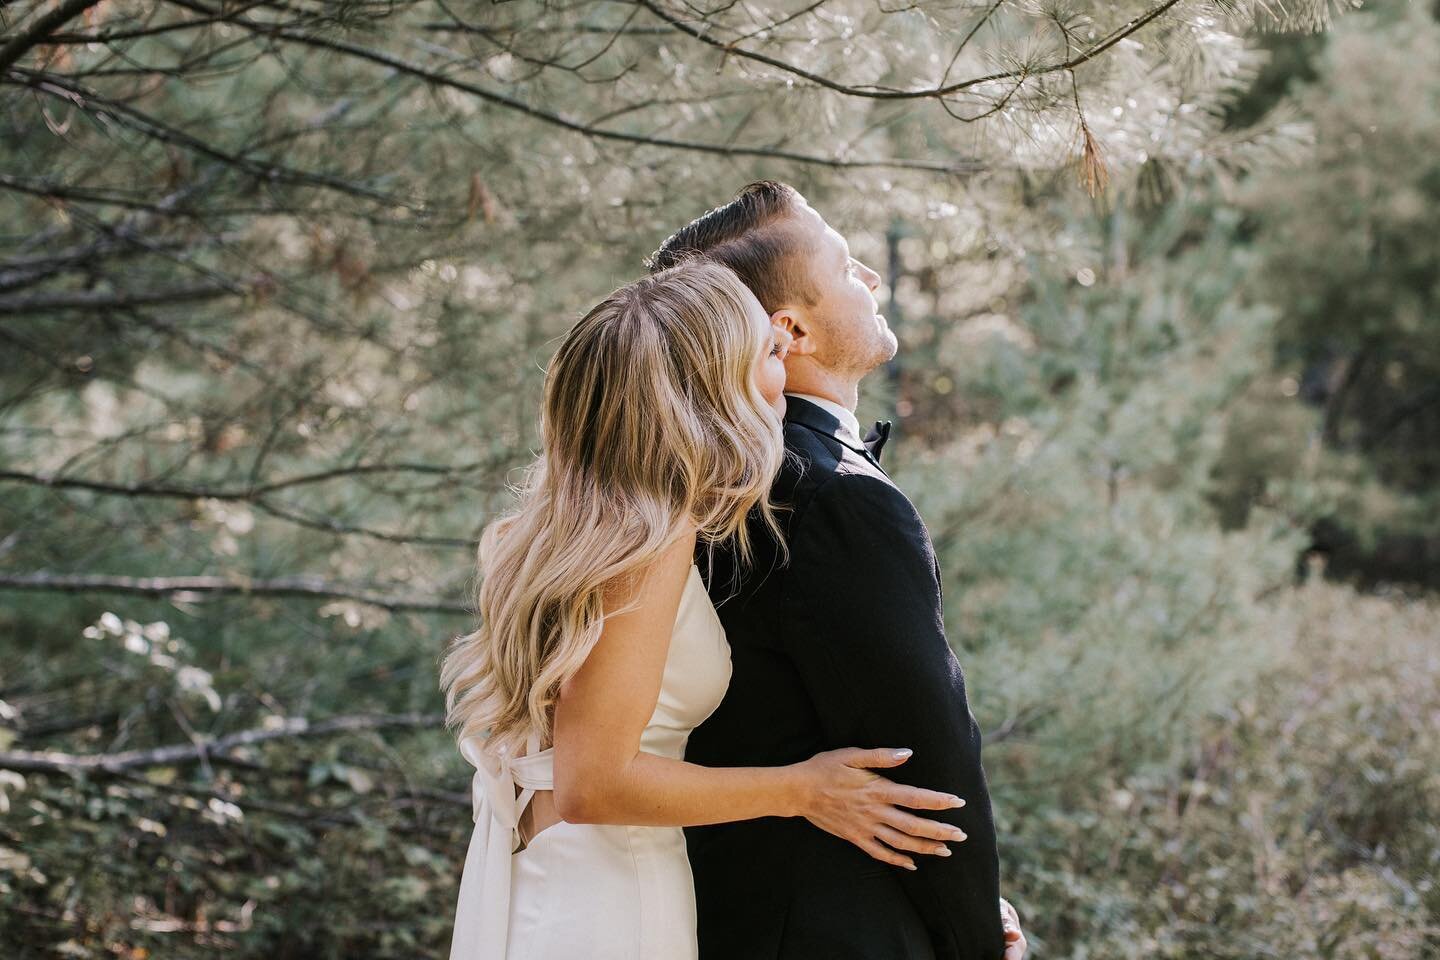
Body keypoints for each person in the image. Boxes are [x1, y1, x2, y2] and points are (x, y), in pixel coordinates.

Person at [440, 256, 975, 960]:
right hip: (612, 891)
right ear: (714, 383)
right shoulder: (652, 536)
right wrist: (801, 790)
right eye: (770, 353)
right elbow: (592, 783)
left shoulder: (560, 524)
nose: (782, 377)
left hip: (556, 877)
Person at [648, 181, 1028, 960]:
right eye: (849, 266)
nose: (873, 280)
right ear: (791, 330)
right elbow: (925, 759)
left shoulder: (697, 477)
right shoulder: (831, 497)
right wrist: (979, 941)